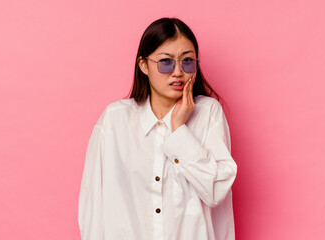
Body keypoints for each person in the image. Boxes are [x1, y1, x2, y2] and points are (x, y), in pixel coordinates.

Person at [78, 17, 237, 240]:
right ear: (144, 65)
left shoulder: (208, 113)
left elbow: (215, 191)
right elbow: (93, 206)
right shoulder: (114, 120)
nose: (178, 72)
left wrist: (179, 130)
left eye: (187, 61)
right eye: (166, 62)